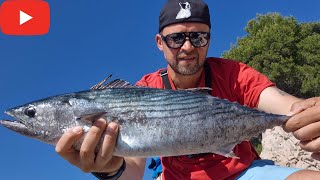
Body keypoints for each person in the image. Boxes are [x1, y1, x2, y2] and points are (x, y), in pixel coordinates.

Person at [55, 0, 320, 179]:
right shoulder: (143, 91)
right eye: (176, 37)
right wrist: (109, 170)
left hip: (243, 173)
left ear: (208, 39)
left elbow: (288, 107)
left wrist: (310, 116)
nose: (187, 47)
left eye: (198, 36)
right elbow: (133, 170)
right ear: (160, 42)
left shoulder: (234, 73)